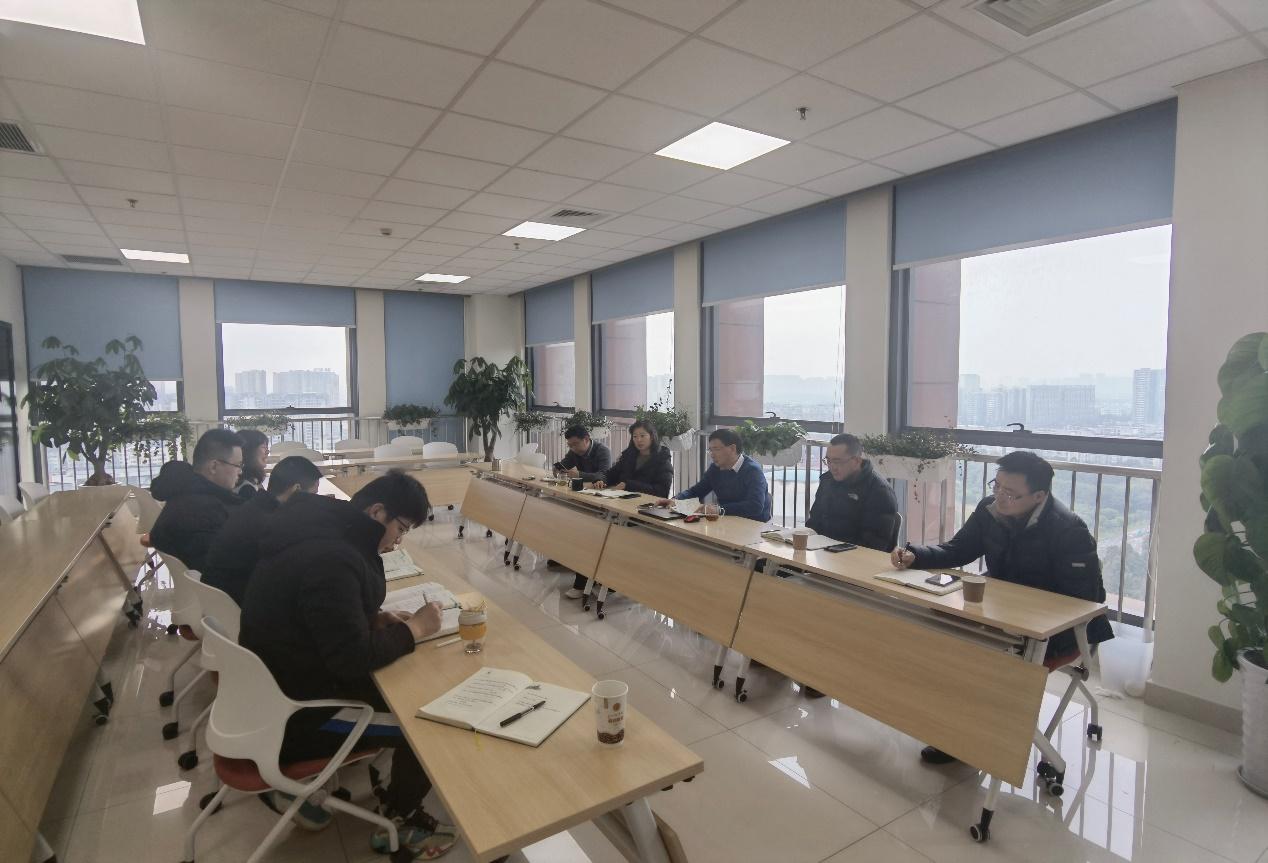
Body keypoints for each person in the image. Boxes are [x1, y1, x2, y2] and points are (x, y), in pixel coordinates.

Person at [239, 470, 457, 858]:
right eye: (400, 529)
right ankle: (403, 820)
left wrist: (370, 619)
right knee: (426, 720)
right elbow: (351, 659)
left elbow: (312, 616)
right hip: (298, 717)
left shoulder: (315, 533)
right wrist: (416, 629)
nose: (397, 542)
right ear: (376, 512)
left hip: (272, 693)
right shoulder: (334, 558)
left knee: (402, 685)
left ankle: (387, 787)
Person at [890, 450, 1114, 765]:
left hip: (1058, 633)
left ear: (1039, 496)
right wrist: (917, 555)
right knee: (935, 633)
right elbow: (959, 549)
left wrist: (1015, 611)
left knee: (976, 660)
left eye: (1010, 493)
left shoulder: (1068, 530)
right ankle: (948, 725)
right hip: (1002, 618)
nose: (999, 497)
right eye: (996, 486)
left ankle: (967, 739)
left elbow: (1080, 604)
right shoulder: (990, 510)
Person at [564, 421, 673, 599]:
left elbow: (661, 491)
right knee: (589, 531)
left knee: (604, 534)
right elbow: (611, 474)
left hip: (642, 513)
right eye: (635, 436)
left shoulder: (663, 459)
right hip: (619, 507)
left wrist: (628, 484)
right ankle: (585, 581)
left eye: (642, 436)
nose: (638, 440)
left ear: (652, 436)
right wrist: (602, 480)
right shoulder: (629, 455)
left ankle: (605, 582)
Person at [201, 455, 323, 606]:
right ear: (296, 490)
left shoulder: (253, 507)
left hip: (218, 602)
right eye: (313, 495)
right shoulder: (272, 525)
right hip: (239, 605)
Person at [149, 428, 246, 572]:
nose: (240, 471)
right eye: (237, 465)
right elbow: (218, 567)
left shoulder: (186, 493)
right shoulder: (202, 510)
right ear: (214, 466)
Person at [806, 433, 899, 551]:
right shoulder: (828, 480)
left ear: (856, 461)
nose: (832, 467)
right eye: (828, 461)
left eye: (837, 461)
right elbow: (814, 521)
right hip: (823, 551)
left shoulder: (879, 491)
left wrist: (832, 549)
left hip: (856, 556)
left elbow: (873, 543)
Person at [661, 428, 771, 522]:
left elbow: (755, 506)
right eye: (710, 450)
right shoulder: (715, 468)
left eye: (716, 449)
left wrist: (719, 509)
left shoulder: (753, 471)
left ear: (732, 448)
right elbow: (696, 491)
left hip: (754, 525)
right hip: (726, 521)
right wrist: (676, 500)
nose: (712, 455)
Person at [235, 428, 270, 499]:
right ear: (249, 451)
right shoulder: (246, 489)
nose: (267, 452)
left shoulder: (253, 482)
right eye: (263, 447)